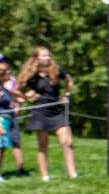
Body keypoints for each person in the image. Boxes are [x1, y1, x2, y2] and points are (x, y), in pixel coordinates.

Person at [17, 46, 77, 181]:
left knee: (67, 142)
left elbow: (69, 80)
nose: (48, 58)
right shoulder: (31, 75)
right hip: (40, 111)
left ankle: (73, 174)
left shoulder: (56, 70)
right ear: (36, 58)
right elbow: (17, 89)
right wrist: (27, 97)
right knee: (43, 145)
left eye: (48, 55)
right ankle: (45, 176)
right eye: (44, 56)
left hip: (57, 110)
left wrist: (66, 95)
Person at [0, 53, 29, 182]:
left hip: (6, 119)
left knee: (2, 149)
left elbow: (18, 97)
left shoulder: (4, 88)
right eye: (7, 73)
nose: (10, 75)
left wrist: (28, 96)